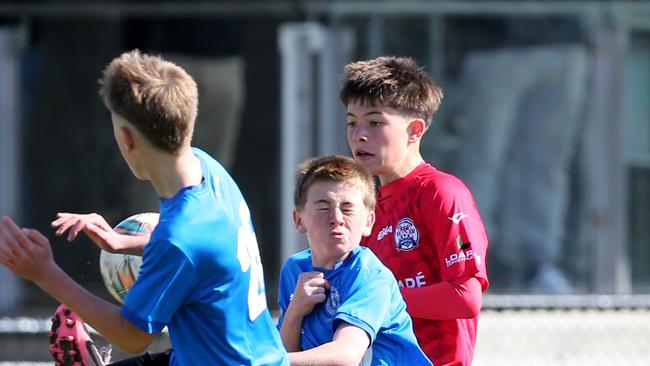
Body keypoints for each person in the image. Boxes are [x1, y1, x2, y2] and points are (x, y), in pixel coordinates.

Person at [0, 50, 288, 366]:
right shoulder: (209, 169)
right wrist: (122, 243)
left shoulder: (180, 235)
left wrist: (45, 274)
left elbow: (131, 337)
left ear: (126, 139)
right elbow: (203, 256)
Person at [340, 56, 490, 366]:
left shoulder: (441, 192)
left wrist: (378, 300)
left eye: (375, 122)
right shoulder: (367, 208)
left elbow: (465, 296)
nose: (359, 135)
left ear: (414, 130)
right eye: (352, 123)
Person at [277, 155, 431, 366]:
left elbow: (345, 356)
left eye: (347, 208)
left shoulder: (370, 275)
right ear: (299, 220)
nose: (337, 218)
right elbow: (286, 351)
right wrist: (295, 311)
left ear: (368, 221)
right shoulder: (294, 270)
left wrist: (262, 362)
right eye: (323, 207)